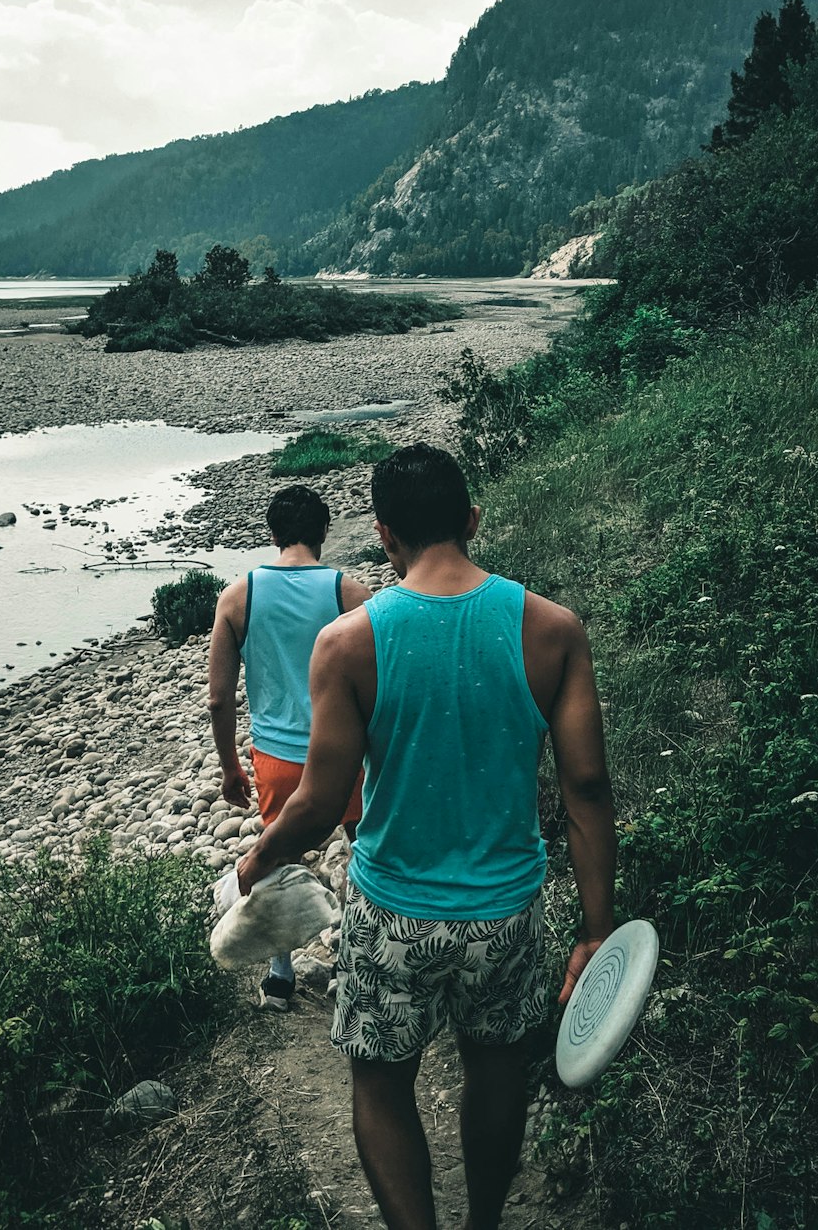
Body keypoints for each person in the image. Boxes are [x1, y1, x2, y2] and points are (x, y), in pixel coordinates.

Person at [237, 444, 616, 1229]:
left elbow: (319, 801)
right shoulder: (553, 630)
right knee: (496, 1069)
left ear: (384, 536)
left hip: (394, 913)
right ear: (472, 519)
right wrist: (597, 927)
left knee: (380, 1083)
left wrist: (261, 854)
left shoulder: (347, 642)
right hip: (506, 911)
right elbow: (586, 788)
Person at [208, 483, 371, 1011]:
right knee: (363, 847)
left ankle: (280, 978)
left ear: (273, 534)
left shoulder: (239, 596)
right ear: (323, 532)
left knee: (278, 857)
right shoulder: (349, 592)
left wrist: (232, 766)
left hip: (276, 758)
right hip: (346, 753)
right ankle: (359, 961)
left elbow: (218, 698)